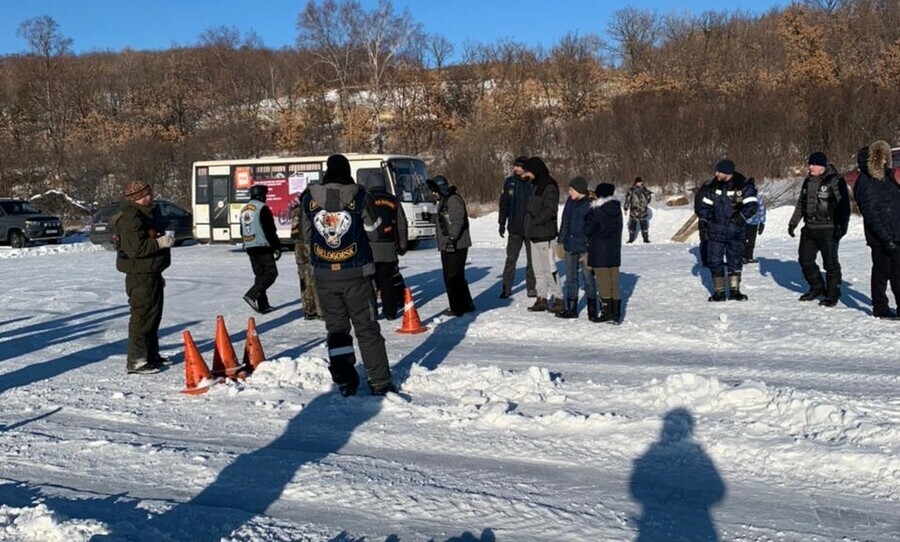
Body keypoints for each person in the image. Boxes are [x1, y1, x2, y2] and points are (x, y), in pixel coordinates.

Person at [300, 154, 395, 396]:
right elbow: (374, 232)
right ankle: (380, 381)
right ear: (347, 172)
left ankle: (345, 380)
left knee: (336, 329)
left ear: (327, 172)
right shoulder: (361, 197)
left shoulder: (309, 199)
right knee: (367, 328)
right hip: (357, 273)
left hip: (323, 275)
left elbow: (307, 234)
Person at [112, 181, 174, 374]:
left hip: (151, 272)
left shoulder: (145, 212)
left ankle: (151, 355)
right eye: (144, 195)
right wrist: (160, 243)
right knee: (142, 317)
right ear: (134, 198)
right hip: (140, 275)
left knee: (153, 317)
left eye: (149, 193)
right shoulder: (131, 217)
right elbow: (135, 248)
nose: (149, 198)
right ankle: (137, 360)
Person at [787, 152, 851, 307]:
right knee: (805, 260)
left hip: (828, 229)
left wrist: (842, 226)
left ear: (822, 166)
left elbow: (844, 206)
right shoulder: (807, 181)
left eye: (813, 164)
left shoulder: (836, 181)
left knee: (830, 264)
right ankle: (817, 287)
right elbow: (802, 203)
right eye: (809, 164)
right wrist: (793, 223)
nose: (810, 167)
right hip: (809, 229)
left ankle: (832, 294)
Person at [698, 159, 759, 302]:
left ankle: (734, 291)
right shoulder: (712, 188)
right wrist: (703, 221)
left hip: (735, 232)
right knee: (714, 261)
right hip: (716, 232)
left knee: (735, 261)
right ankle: (719, 292)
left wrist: (740, 218)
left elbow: (752, 206)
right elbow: (705, 207)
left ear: (727, 172)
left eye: (719, 171)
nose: (716, 174)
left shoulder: (743, 186)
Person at [853, 140, 900, 319]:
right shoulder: (866, 182)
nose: (887, 161)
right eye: (883, 158)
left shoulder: (889, 178)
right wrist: (886, 238)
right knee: (882, 273)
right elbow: (872, 213)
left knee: (897, 274)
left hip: (896, 233)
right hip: (881, 237)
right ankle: (880, 307)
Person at [359, 169, 409, 320]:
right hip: (389, 247)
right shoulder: (393, 200)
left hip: (369, 247)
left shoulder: (365, 199)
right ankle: (390, 312)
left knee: (368, 283)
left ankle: (371, 313)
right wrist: (403, 245)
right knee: (387, 281)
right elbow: (402, 224)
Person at [427, 175, 475, 317]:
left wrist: (452, 239)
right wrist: (430, 218)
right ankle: (466, 304)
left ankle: (458, 307)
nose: (433, 194)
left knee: (452, 277)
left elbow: (457, 221)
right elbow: (444, 218)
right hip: (449, 244)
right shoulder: (444, 200)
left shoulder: (453, 200)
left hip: (456, 244)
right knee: (455, 276)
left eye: (434, 191)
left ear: (440, 189)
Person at [521, 157, 564, 313]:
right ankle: (541, 298)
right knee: (537, 270)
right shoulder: (535, 185)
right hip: (534, 235)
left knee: (549, 269)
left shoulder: (549, 186)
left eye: (529, 172)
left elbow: (550, 210)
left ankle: (558, 298)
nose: (527, 175)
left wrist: (535, 222)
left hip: (545, 234)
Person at [556, 176, 597, 319]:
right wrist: (561, 241)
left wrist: (590, 245)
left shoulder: (590, 204)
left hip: (585, 247)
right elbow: (565, 222)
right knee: (571, 277)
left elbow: (593, 227)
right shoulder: (570, 202)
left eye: (572, 189)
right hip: (569, 245)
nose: (569, 192)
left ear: (579, 190)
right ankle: (571, 308)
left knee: (588, 277)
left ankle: (592, 309)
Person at [584, 182, 624, 323]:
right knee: (614, 283)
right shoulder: (617, 210)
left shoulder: (596, 211)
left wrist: (588, 213)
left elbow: (587, 230)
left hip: (599, 252)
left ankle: (606, 312)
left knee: (603, 283)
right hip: (614, 251)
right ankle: (616, 313)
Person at [498, 155, 536, 299]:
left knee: (532, 261)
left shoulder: (533, 182)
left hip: (530, 229)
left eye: (517, 166)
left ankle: (531, 287)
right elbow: (504, 204)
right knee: (511, 258)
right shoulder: (510, 182)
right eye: (514, 166)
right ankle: (506, 288)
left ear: (524, 167)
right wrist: (502, 222)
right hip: (514, 228)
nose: (515, 168)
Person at [240, 184, 281, 314]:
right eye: (265, 196)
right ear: (261, 196)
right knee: (271, 273)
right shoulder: (262, 208)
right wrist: (276, 246)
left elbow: (241, 230)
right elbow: (269, 230)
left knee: (260, 275)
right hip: (262, 246)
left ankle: (263, 305)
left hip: (250, 246)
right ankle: (252, 294)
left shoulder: (244, 209)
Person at [290, 191, 322, 320]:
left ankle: (309, 310)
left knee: (304, 279)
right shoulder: (316, 210)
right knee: (317, 279)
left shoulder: (296, 211)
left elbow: (294, 233)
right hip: (313, 247)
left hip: (299, 248)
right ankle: (321, 311)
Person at [623, 176, 653, 243]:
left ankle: (645, 239)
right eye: (638, 182)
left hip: (643, 210)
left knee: (644, 226)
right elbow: (627, 200)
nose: (640, 183)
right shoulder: (631, 190)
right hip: (634, 210)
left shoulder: (645, 190)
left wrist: (649, 195)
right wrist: (625, 208)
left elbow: (648, 200)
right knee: (632, 226)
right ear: (635, 183)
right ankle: (631, 239)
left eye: (640, 182)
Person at [693, 178, 715, 268]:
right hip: (708, 221)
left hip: (704, 221)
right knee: (708, 241)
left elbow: (697, 210)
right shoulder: (707, 195)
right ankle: (708, 261)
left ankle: (707, 260)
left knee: (705, 241)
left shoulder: (699, 194)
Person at [744, 193, 766, 264]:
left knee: (751, 240)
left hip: (754, 223)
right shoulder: (743, 195)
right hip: (743, 221)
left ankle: (749, 257)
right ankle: (742, 256)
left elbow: (762, 210)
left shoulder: (758, 197)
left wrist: (762, 223)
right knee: (743, 240)